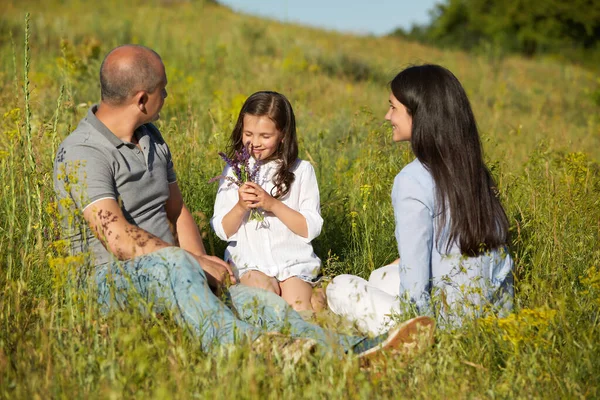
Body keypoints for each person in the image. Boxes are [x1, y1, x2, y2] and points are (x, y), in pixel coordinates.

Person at [53, 44, 435, 361]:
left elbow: (177, 211)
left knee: (262, 304)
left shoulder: (151, 137)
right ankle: (248, 349)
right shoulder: (85, 152)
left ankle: (352, 353)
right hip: (110, 282)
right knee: (171, 263)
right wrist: (194, 262)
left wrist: (208, 271)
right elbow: (117, 239)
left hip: (176, 272)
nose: (166, 96)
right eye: (163, 89)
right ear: (142, 98)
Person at [326, 64, 514, 335]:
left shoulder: (413, 178)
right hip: (492, 318)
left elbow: (414, 284)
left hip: (444, 325)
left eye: (393, 108)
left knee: (340, 286)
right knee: (380, 276)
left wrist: (420, 328)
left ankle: (410, 341)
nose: (387, 116)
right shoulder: (474, 169)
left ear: (418, 115)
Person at [211, 91, 322, 314]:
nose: (255, 143)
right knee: (267, 304)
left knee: (299, 311)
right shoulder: (235, 171)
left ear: (283, 135)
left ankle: (317, 303)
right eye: (248, 134)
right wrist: (241, 206)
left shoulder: (302, 171)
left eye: (265, 136)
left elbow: (311, 228)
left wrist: (272, 204)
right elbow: (222, 230)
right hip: (250, 262)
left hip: (293, 262)